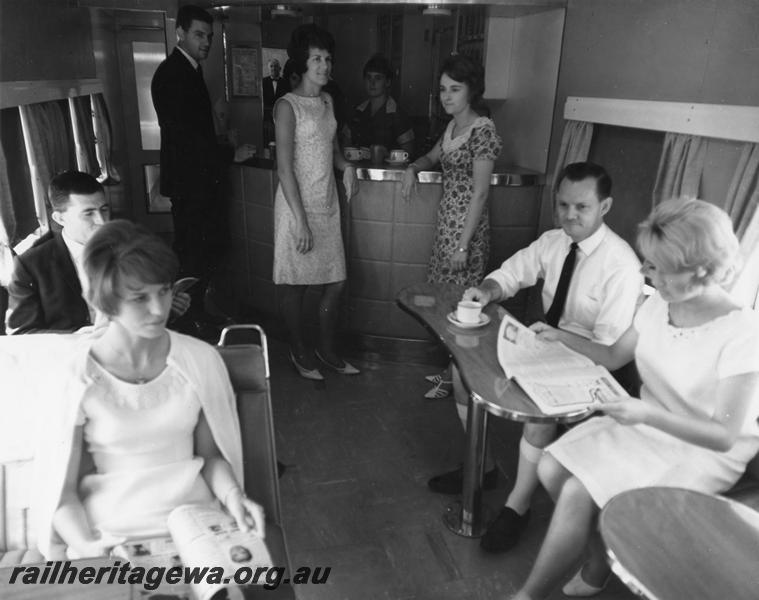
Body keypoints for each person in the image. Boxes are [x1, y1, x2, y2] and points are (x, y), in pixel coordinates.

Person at [511, 198, 759, 600]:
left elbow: (723, 436)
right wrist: (561, 337)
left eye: (655, 267)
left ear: (698, 270)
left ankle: (530, 595)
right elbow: (613, 356)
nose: (645, 273)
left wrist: (644, 412)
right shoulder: (660, 302)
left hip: (700, 447)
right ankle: (598, 559)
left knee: (576, 489)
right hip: (645, 421)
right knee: (552, 467)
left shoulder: (744, 332)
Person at [426, 162, 643, 556]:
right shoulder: (554, 241)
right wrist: (487, 290)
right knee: (461, 374)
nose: (570, 216)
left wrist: (559, 339)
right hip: (547, 344)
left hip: (590, 362)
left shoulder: (621, 265)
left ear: (605, 206)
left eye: (582, 207)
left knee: (539, 414)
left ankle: (517, 506)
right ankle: (484, 467)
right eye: (563, 205)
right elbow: (512, 273)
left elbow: (610, 356)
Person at [33, 220, 265, 560]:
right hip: (111, 534)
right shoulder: (76, 376)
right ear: (108, 301)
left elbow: (212, 457)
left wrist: (234, 498)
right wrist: (86, 545)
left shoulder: (198, 361)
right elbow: (61, 494)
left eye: (164, 291)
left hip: (195, 527)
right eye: (140, 298)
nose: (159, 309)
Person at [401, 54, 502, 399]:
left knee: (462, 309)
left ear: (472, 90)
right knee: (446, 305)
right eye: (443, 89)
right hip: (448, 227)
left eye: (454, 89)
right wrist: (413, 167)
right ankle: (450, 372)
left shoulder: (482, 129)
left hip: (466, 233)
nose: (446, 96)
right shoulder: (453, 127)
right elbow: (432, 156)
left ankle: (456, 379)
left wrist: (462, 245)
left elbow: (481, 192)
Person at [151, 5, 255, 329]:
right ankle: (186, 322)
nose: (207, 42)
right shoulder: (172, 74)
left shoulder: (189, 70)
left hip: (196, 184)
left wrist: (222, 145)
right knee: (194, 255)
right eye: (199, 34)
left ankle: (195, 315)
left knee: (203, 253)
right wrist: (229, 155)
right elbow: (186, 139)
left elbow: (195, 133)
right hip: (191, 186)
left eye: (209, 36)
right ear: (179, 32)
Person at [273, 24, 359, 381]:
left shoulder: (327, 102)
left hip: (326, 202)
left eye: (327, 58)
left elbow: (332, 150)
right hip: (297, 207)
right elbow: (284, 169)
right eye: (317, 59)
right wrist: (301, 221)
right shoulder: (287, 107)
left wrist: (347, 167)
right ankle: (298, 349)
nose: (324, 65)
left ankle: (326, 349)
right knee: (297, 284)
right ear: (302, 62)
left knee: (335, 281)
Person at [5, 170, 189, 335]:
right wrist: (79, 338)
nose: (102, 221)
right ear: (60, 218)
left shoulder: (129, 249)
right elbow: (22, 333)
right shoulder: (30, 264)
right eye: (89, 213)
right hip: (71, 362)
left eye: (104, 210)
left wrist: (169, 310)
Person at [344, 54, 414, 155]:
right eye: (368, 77)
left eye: (378, 78)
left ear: (388, 82)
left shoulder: (398, 115)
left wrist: (385, 154)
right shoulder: (357, 113)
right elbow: (345, 147)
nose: (372, 83)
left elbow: (409, 153)